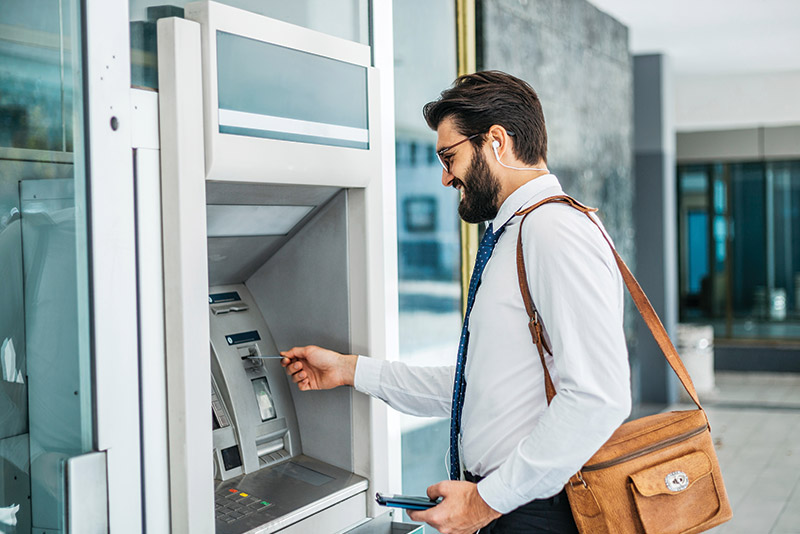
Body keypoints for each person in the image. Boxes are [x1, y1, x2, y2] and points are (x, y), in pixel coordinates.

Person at [281, 71, 631, 534]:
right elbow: (478, 386)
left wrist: (486, 501)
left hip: (534, 512)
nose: (446, 177)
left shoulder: (553, 231)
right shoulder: (518, 233)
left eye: (450, 157)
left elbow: (598, 397)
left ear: (497, 141)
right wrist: (349, 370)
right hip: (514, 508)